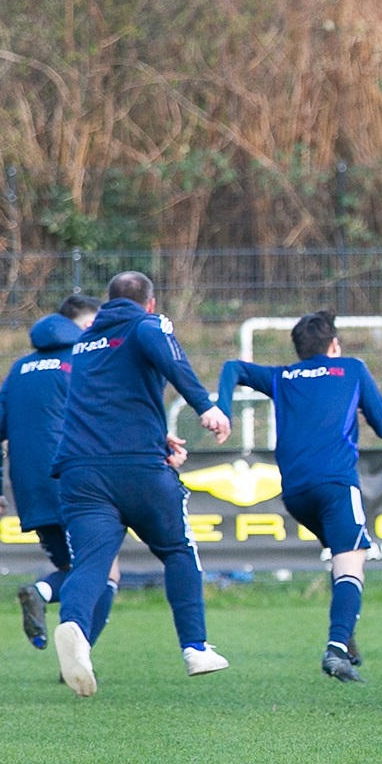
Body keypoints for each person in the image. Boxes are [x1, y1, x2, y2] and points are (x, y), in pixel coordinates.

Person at [48, 272, 234, 695]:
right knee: (177, 550)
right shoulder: (149, 325)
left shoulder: (84, 343)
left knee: (92, 562)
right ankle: (195, 648)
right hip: (137, 470)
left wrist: (154, 436)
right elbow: (171, 359)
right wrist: (206, 406)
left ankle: (74, 625)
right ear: (149, 303)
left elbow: (107, 405)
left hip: (81, 470)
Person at [217, 310, 382, 683]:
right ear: (334, 344)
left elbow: (232, 367)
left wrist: (223, 409)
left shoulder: (282, 377)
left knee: (340, 553)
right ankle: (336, 648)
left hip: (296, 493)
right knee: (353, 559)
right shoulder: (351, 368)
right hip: (335, 485)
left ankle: (345, 637)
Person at [0, 292, 104, 653]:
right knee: (103, 572)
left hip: (31, 490)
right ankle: (49, 604)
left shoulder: (19, 369)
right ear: (77, 326)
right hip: (76, 481)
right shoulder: (84, 362)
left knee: (72, 567)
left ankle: (47, 595)